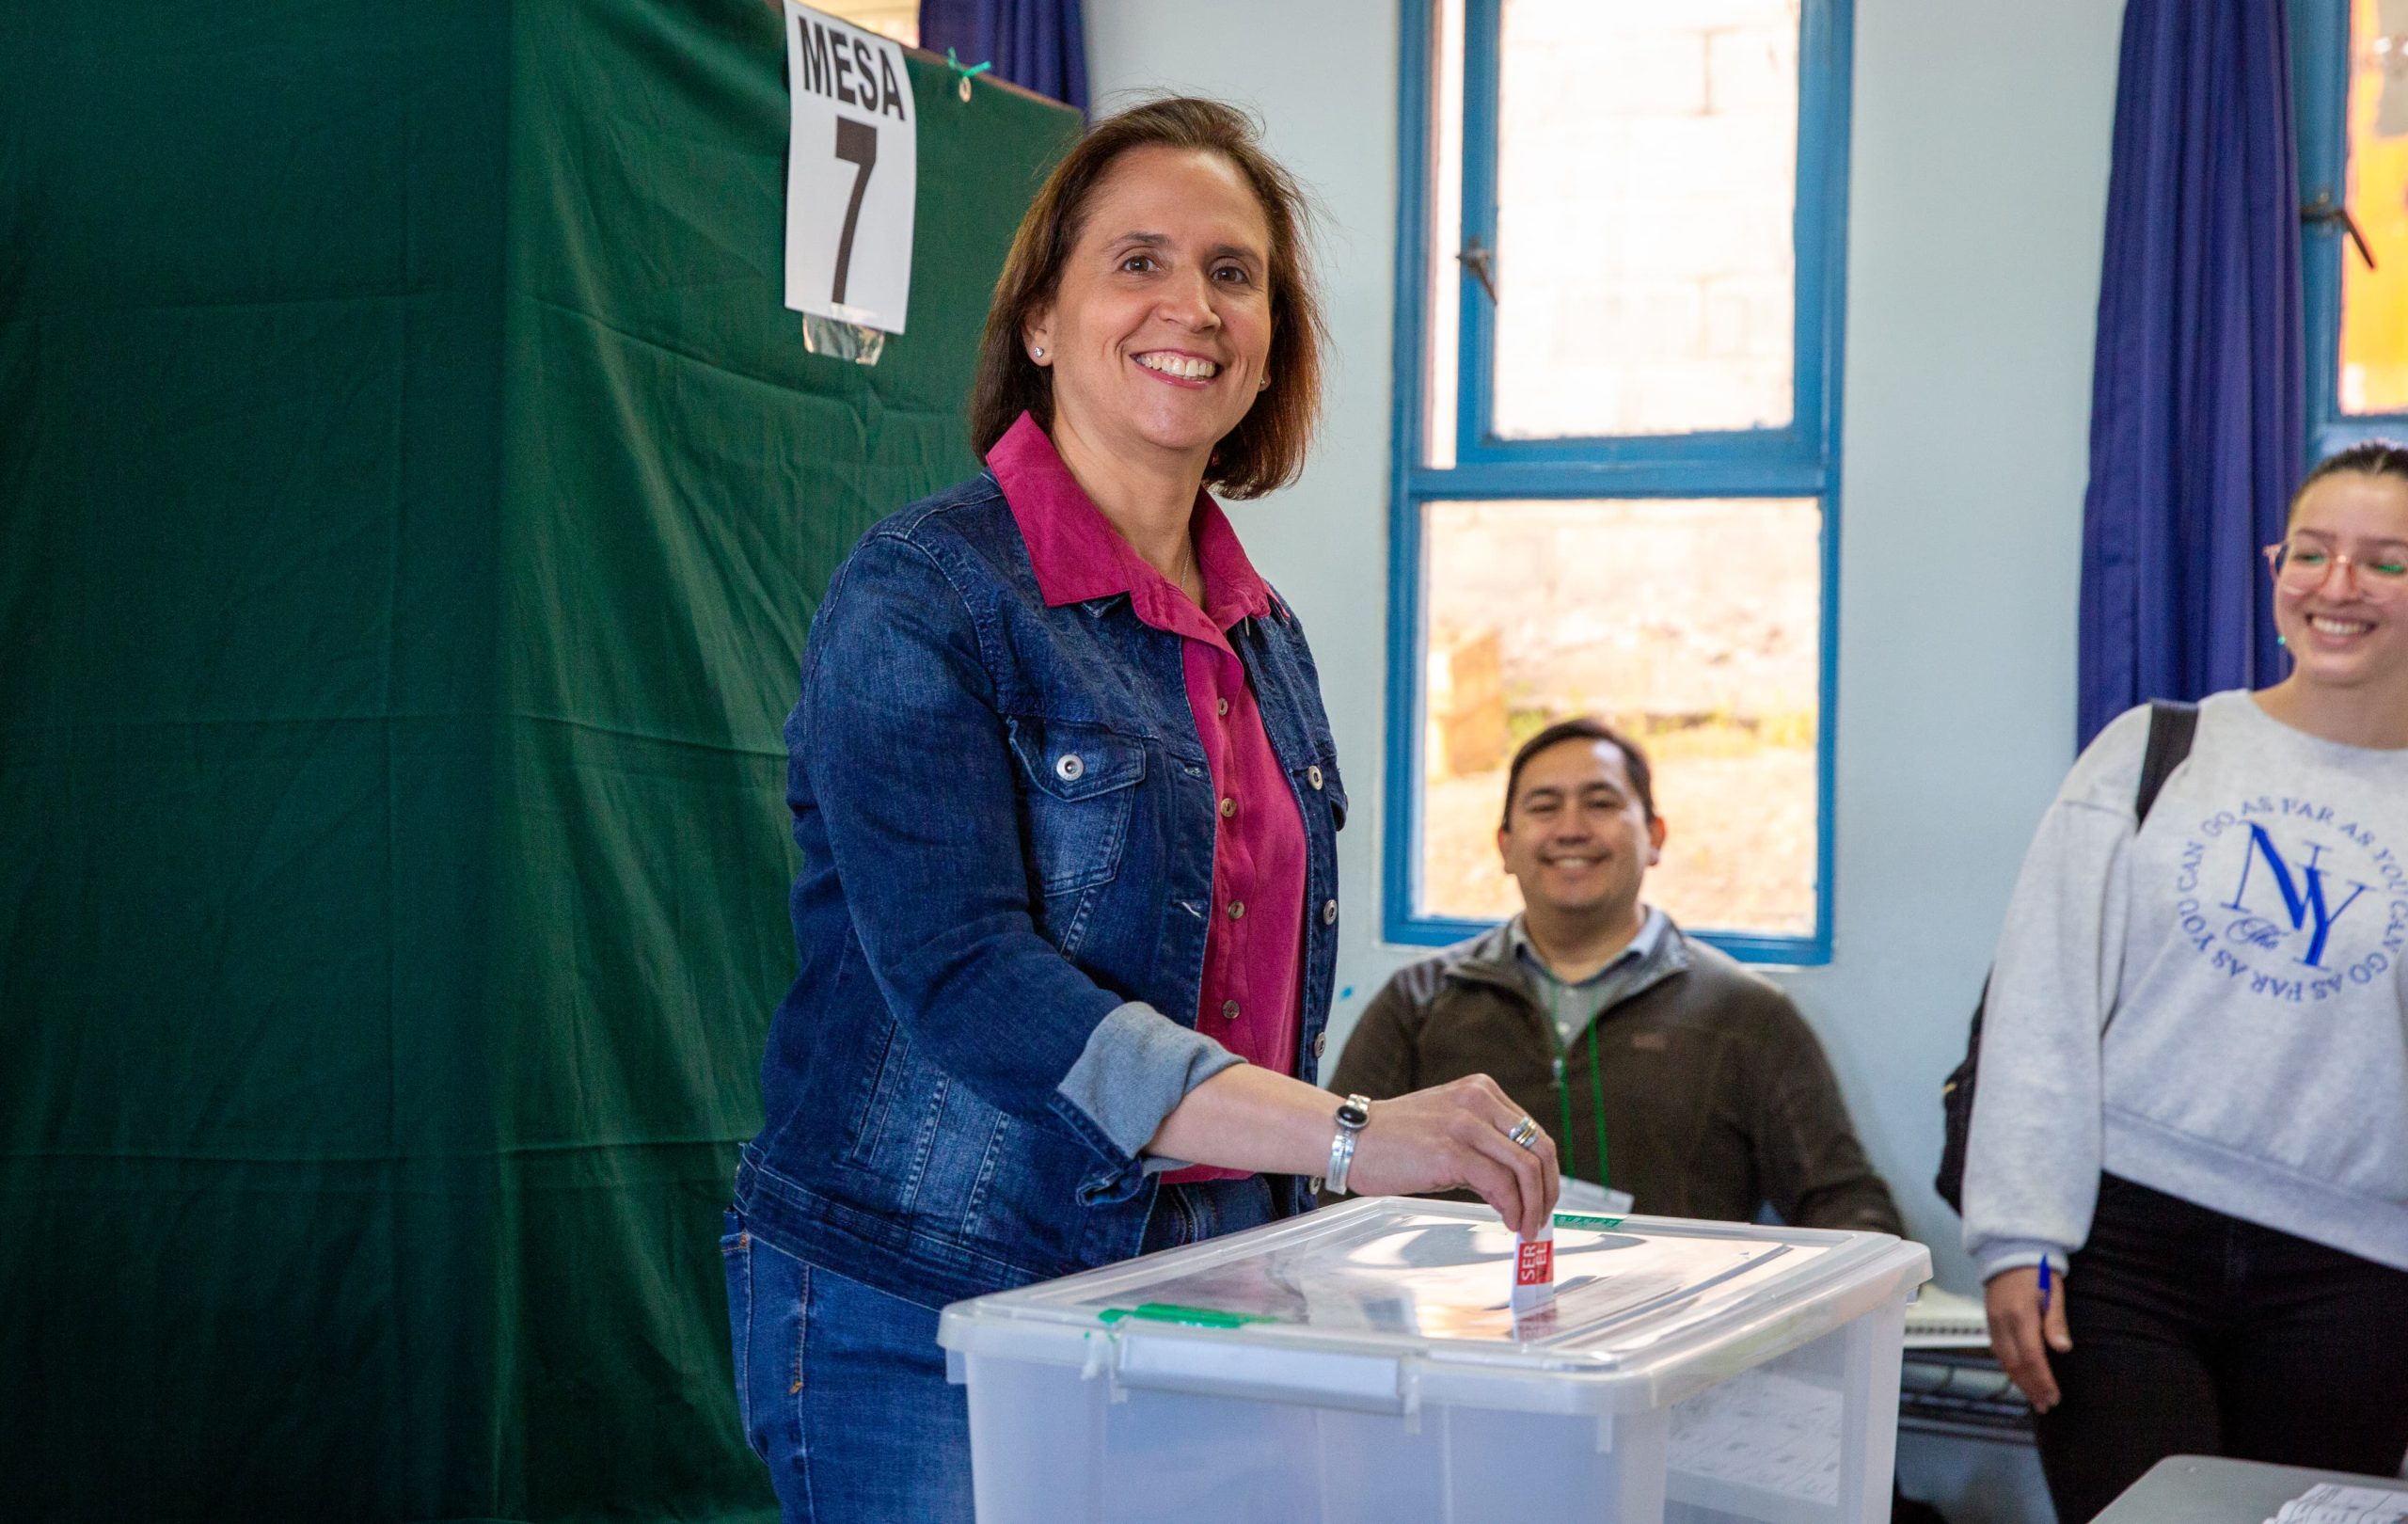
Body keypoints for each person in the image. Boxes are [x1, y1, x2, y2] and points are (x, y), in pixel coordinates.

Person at [721, 97, 1560, 1524]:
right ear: (1041, 321)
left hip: (1204, 1295)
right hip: (931, 1310)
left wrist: (1331, 1189)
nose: (1195, 306)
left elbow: (1242, 987)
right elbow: (974, 986)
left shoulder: (1262, 636)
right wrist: (1358, 1133)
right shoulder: (920, 595)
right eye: (1140, 262)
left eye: (1235, 274)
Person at [1965, 442, 2408, 1523]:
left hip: (2354, 1279)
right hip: (2121, 1259)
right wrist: (2017, 1238)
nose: (2337, 586)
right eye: (2310, 552)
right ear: (2274, 571)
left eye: (2385, 561)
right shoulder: (2157, 749)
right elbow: (2040, 1008)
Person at [1330, 717, 1903, 1234]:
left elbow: (1845, 1204)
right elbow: (1332, 1177)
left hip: (1676, 1340)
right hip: (1459, 1334)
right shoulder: (1420, 1002)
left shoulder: (1745, 1015)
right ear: (1505, 845)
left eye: (1601, 803)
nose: (1571, 829)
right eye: (1543, 806)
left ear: (1655, 836)